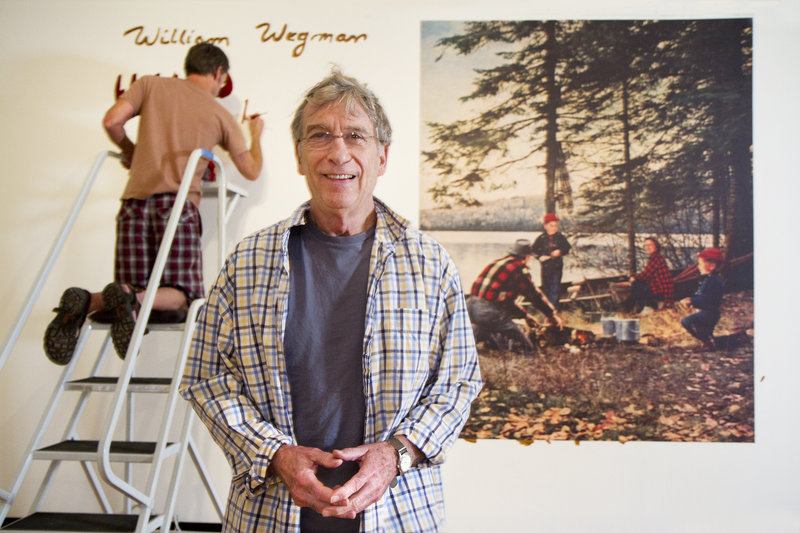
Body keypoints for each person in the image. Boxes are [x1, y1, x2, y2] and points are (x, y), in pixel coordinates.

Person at [180, 70, 482, 532]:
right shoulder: (248, 261)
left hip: (400, 514)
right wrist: (273, 453)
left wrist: (395, 454)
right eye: (319, 135)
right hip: (269, 515)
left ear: (381, 156)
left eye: (355, 136)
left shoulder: (428, 263)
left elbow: (458, 383)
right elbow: (206, 377)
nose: (338, 152)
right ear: (299, 157)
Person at [43, 42, 264, 364]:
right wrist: (256, 134)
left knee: (131, 285)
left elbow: (111, 122)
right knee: (183, 299)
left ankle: (87, 301)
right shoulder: (220, 113)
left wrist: (133, 153)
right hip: (176, 208)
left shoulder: (150, 84)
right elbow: (251, 170)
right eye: (222, 80)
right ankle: (130, 298)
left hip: (134, 204)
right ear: (218, 72)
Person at [468, 238, 563, 355]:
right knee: (525, 346)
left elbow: (505, 301)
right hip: (487, 311)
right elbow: (534, 295)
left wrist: (526, 316)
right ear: (526, 257)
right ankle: (528, 356)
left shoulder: (497, 262)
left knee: (491, 329)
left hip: (470, 306)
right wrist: (552, 315)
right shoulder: (519, 269)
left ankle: (477, 333)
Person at [680, 248, 725, 351]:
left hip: (710, 313)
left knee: (687, 321)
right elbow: (700, 295)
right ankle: (711, 342)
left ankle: (709, 342)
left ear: (712, 266)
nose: (698, 266)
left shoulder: (714, 281)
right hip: (705, 312)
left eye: (700, 263)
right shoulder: (706, 279)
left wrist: (692, 301)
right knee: (703, 331)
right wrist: (691, 299)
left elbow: (708, 299)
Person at [530, 213, 571, 310]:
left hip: (557, 267)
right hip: (545, 268)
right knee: (546, 289)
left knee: (555, 289)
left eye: (556, 226)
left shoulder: (560, 237)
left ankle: (554, 311)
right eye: (551, 226)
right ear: (545, 226)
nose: (554, 228)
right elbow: (532, 251)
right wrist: (539, 257)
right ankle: (548, 310)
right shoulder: (541, 238)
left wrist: (560, 251)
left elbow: (567, 248)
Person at [627, 237, 675, 314]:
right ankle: (648, 306)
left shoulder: (656, 258)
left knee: (636, 284)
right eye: (646, 245)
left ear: (656, 246)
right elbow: (648, 274)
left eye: (650, 245)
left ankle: (646, 307)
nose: (647, 247)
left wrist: (634, 278)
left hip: (662, 290)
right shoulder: (656, 257)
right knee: (640, 283)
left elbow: (646, 274)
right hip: (662, 289)